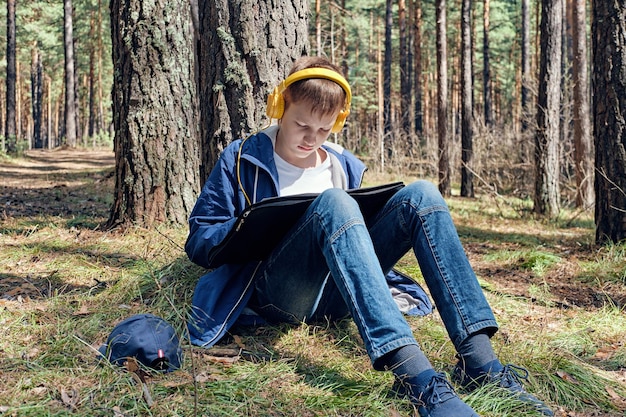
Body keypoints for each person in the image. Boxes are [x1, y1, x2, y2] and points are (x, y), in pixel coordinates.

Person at [185, 56, 553, 417]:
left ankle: (481, 364)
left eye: (324, 130)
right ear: (280, 106)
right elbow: (201, 235)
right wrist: (244, 230)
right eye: (301, 125)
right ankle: (415, 377)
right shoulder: (242, 157)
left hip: (340, 295)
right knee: (334, 203)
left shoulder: (343, 165)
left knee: (422, 195)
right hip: (279, 293)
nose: (311, 139)